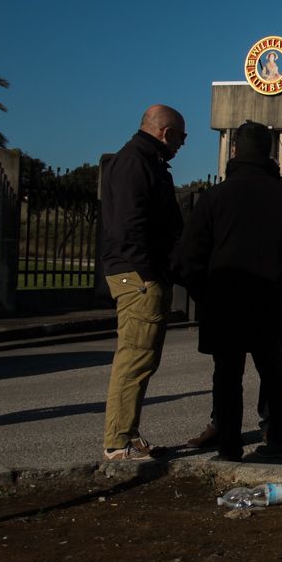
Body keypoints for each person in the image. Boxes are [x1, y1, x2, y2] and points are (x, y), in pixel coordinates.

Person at [172, 121, 282, 462]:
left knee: (227, 374)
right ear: (269, 151)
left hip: (223, 298)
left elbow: (190, 257)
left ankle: (229, 447)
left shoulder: (215, 197)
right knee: (273, 370)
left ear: (234, 150)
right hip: (267, 297)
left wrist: (204, 293)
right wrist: (280, 281)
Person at [99, 104, 187, 460]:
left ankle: (127, 433)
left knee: (142, 359)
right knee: (135, 359)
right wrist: (150, 274)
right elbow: (129, 226)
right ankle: (117, 443)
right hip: (138, 277)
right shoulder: (136, 162)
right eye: (181, 136)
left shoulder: (144, 160)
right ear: (166, 133)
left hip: (140, 274)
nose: (183, 144)